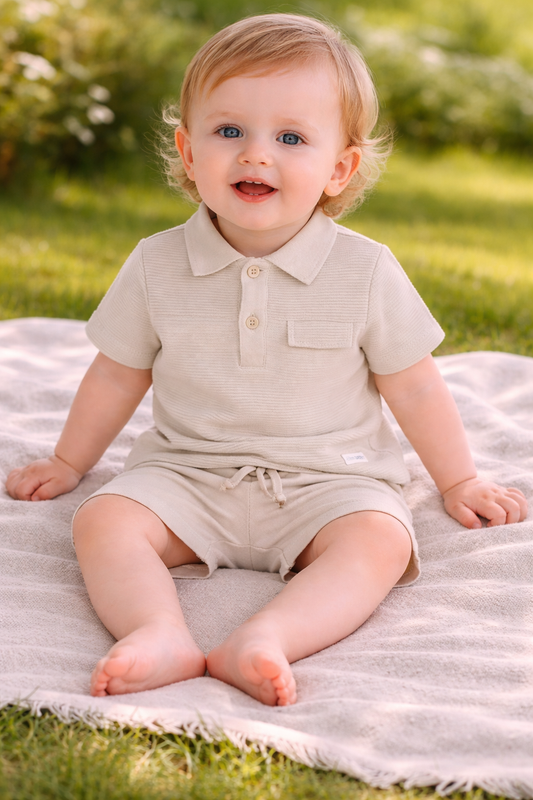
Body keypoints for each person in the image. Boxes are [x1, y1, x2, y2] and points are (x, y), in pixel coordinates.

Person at [6, 14, 527, 707]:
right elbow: (117, 371)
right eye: (229, 132)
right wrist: (70, 462)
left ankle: (267, 638)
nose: (256, 155)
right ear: (188, 153)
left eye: (289, 137)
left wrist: (457, 479)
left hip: (328, 481)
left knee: (379, 540)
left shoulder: (364, 270)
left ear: (338, 168)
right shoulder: (156, 263)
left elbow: (414, 385)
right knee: (103, 521)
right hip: (187, 472)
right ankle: (156, 631)